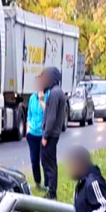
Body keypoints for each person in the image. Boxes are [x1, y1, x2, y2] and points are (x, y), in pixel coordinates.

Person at [41, 67, 67, 199]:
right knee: (48, 161)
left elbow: (51, 117)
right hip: (52, 134)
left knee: (49, 163)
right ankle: (50, 189)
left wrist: (46, 136)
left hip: (51, 135)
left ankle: (52, 192)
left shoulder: (55, 93)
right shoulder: (56, 92)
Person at [26, 74, 49, 188]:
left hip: (43, 134)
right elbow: (29, 115)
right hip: (32, 134)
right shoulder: (31, 98)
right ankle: (37, 182)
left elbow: (49, 113)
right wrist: (28, 128)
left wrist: (41, 100)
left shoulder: (48, 96)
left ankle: (47, 184)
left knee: (44, 160)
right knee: (34, 160)